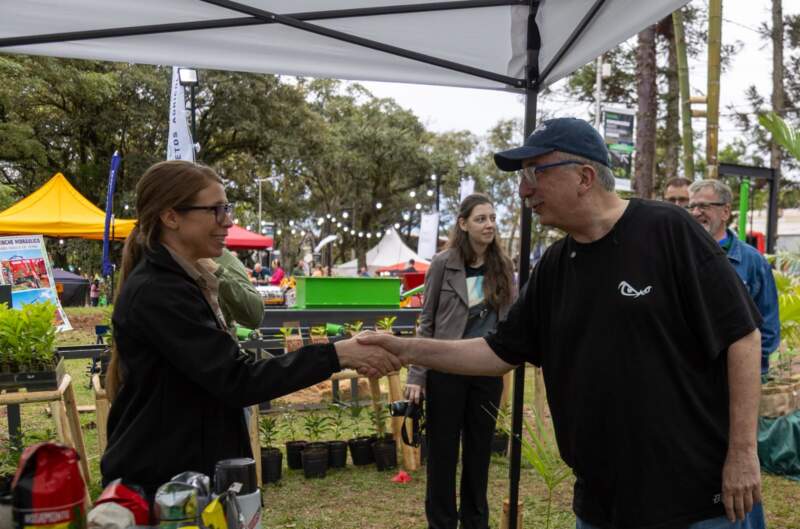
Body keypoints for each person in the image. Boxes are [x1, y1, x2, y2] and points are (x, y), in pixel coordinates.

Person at [359, 118, 765, 529]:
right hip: (600, 501)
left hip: (693, 498)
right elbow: (497, 352)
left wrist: (743, 452)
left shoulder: (668, 230)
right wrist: (405, 348)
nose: (524, 190)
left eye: (536, 173)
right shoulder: (555, 266)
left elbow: (743, 336)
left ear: (584, 177)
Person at [101, 161, 401, 497]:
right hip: (167, 486)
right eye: (216, 210)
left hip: (185, 476)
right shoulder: (159, 292)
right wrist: (338, 353)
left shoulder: (182, 281)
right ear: (171, 217)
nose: (227, 221)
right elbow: (237, 380)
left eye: (226, 208)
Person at [405, 193, 515, 529]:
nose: (489, 225)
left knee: (479, 454)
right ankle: (441, 522)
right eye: (481, 218)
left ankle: (475, 522)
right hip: (447, 370)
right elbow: (426, 322)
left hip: (485, 372)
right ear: (463, 224)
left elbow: (511, 323)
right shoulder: (443, 263)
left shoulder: (504, 266)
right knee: (442, 453)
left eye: (493, 218)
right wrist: (417, 375)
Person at [688, 179, 780, 376]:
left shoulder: (753, 261)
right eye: (692, 206)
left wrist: (750, 369)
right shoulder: (680, 255)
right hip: (690, 374)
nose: (696, 212)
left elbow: (769, 326)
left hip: (737, 374)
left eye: (704, 205)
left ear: (726, 212)